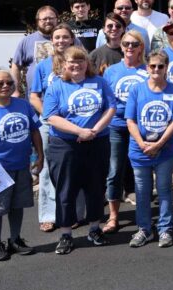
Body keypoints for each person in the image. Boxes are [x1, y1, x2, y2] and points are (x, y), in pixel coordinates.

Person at [42, 47, 117, 254]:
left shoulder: (100, 83)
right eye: (72, 62)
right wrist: (80, 131)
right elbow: (51, 117)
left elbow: (111, 107)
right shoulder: (57, 87)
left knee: (95, 186)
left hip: (97, 141)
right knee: (66, 190)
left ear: (87, 63)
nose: (76, 65)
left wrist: (94, 130)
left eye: (81, 61)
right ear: (64, 64)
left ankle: (94, 229)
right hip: (65, 145)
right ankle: (66, 233)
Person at [0, 68, 42, 261]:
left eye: (9, 83)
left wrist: (40, 155)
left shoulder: (24, 106)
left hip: (22, 165)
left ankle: (15, 239)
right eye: (0, 83)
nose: (5, 86)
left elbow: (35, 131)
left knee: (17, 205)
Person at [124, 50, 173, 248]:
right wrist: (142, 143)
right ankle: (144, 229)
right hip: (139, 150)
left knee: (164, 189)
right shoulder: (136, 90)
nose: (156, 69)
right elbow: (130, 120)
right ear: (147, 67)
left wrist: (159, 144)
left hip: (165, 150)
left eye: (160, 66)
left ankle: (165, 229)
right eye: (152, 66)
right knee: (142, 191)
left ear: (166, 68)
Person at [28, 23, 76, 233]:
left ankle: (72, 213)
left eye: (65, 37)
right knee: (47, 170)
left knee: (74, 169)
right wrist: (49, 116)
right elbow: (34, 96)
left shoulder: (79, 63)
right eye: (57, 37)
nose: (61, 41)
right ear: (51, 41)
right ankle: (48, 215)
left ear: (72, 40)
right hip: (49, 126)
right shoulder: (43, 66)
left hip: (75, 124)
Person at [101, 29, 148, 234]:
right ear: (121, 46)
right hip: (116, 126)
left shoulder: (148, 70)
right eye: (126, 44)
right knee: (114, 172)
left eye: (134, 44)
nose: (130, 47)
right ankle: (113, 216)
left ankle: (143, 215)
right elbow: (106, 99)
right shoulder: (111, 71)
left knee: (141, 172)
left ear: (141, 48)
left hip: (140, 127)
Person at [10, 5, 59, 95]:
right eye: (44, 19)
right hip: (35, 97)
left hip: (63, 96)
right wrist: (15, 90)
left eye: (51, 18)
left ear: (57, 19)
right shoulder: (27, 41)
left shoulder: (69, 39)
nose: (48, 21)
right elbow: (16, 66)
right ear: (37, 21)